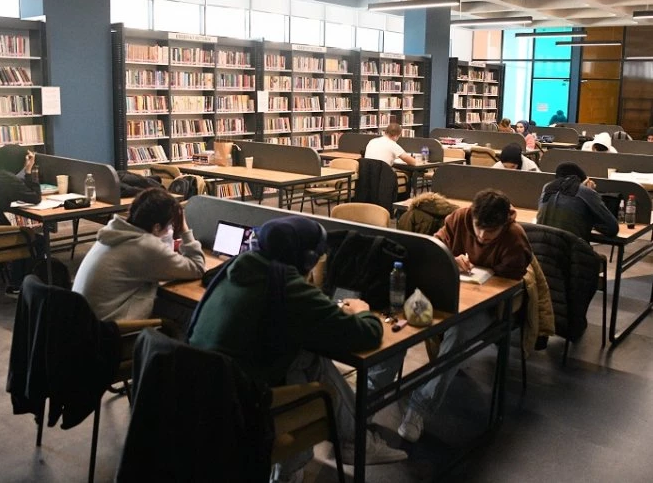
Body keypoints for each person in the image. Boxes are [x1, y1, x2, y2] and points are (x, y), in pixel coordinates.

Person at [188, 216, 407, 482]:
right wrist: (363, 311)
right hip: (245, 407)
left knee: (306, 356)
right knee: (316, 370)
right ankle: (353, 442)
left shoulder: (235, 268)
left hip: (200, 394)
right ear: (307, 259)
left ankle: (308, 460)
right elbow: (367, 334)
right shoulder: (286, 286)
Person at [398, 189, 532, 443]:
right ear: (472, 215)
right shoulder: (459, 218)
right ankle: (375, 392)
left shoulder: (515, 238)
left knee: (457, 332)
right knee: (404, 314)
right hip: (451, 293)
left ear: (504, 224)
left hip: (489, 305)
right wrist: (450, 257)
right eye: (478, 227)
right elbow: (436, 247)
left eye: (490, 232)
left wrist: (486, 272)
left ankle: (419, 409)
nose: (482, 236)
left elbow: (510, 281)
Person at [73, 187, 205, 321]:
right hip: (110, 326)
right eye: (170, 225)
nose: (169, 230)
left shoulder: (114, 231)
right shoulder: (145, 245)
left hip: (85, 321)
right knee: (186, 312)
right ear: (157, 227)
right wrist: (184, 229)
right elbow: (197, 267)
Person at [537, 162, 619, 242]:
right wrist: (591, 193)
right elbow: (613, 228)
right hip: (571, 248)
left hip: (539, 247)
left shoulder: (546, 189)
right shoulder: (586, 192)